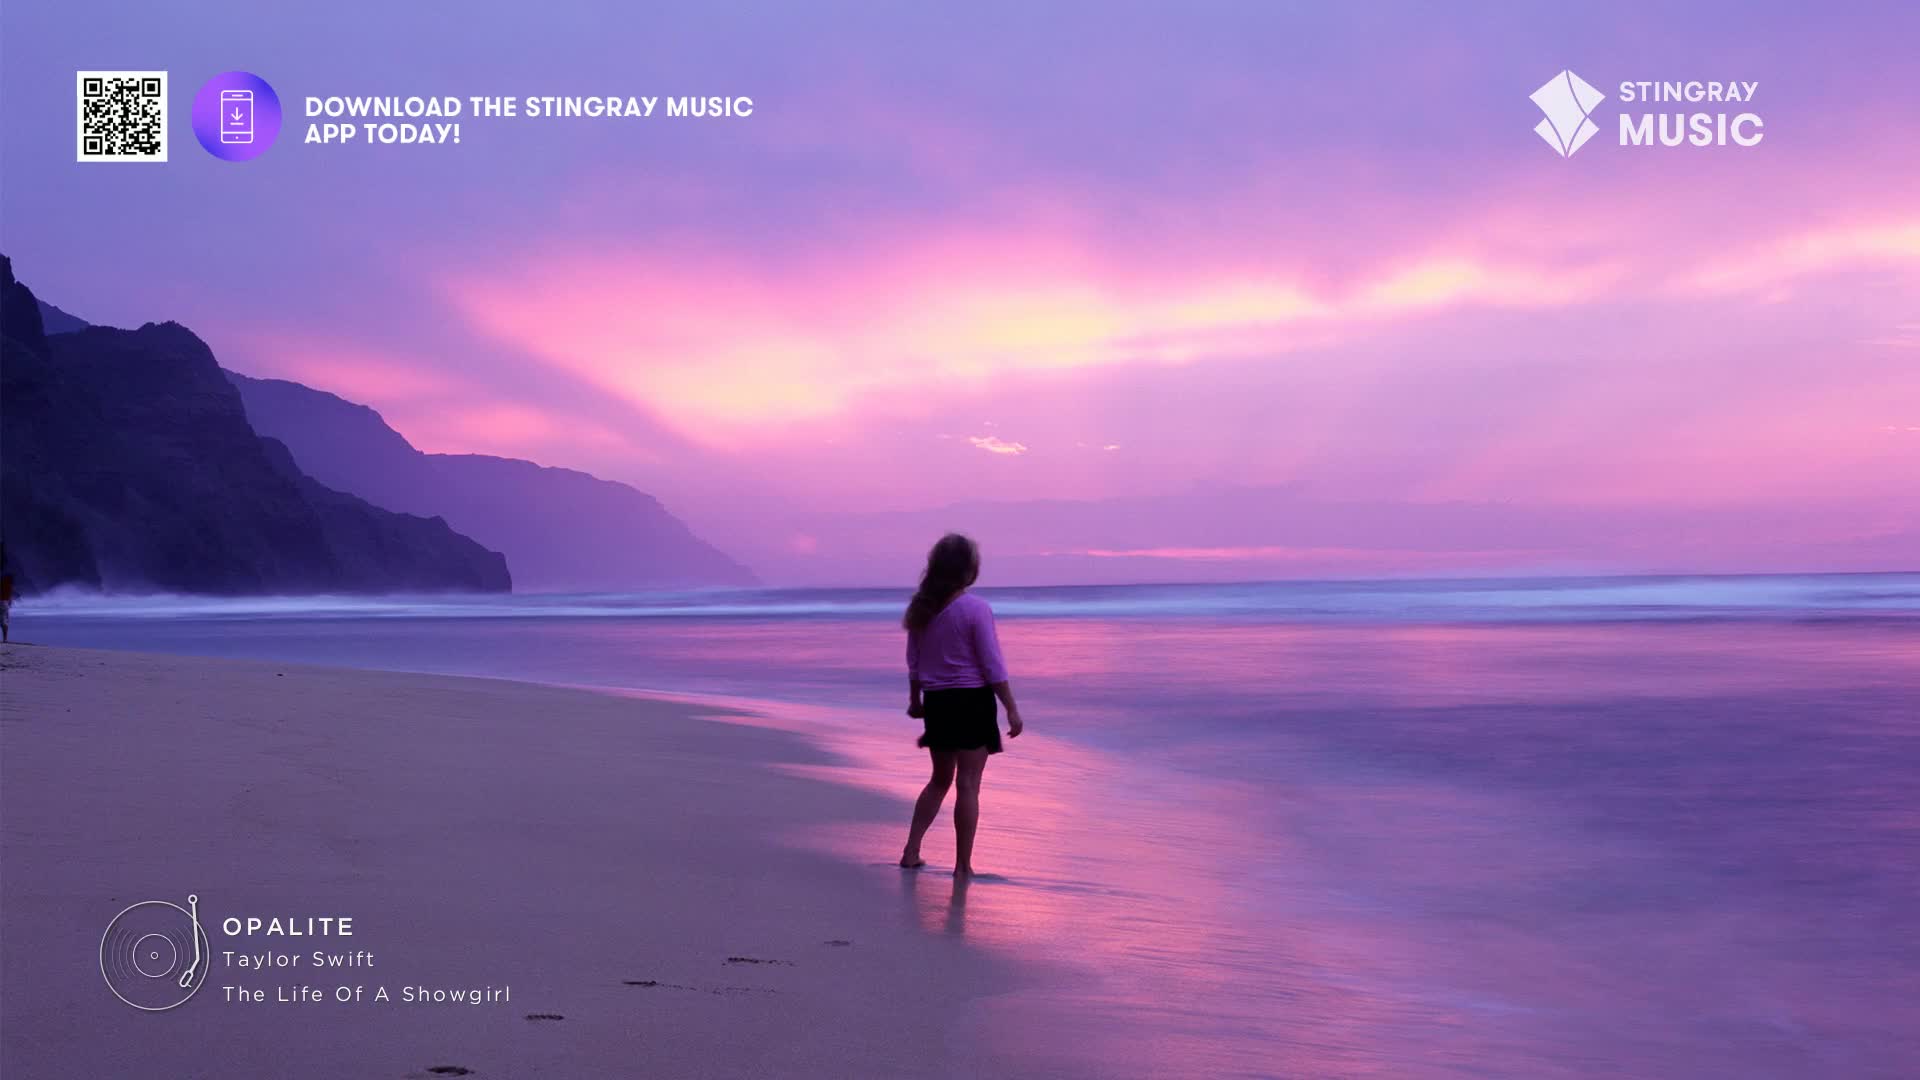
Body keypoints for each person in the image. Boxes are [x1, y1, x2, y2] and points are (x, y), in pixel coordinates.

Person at [899, 533, 1023, 875]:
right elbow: (992, 664)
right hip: (971, 701)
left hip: (938, 702)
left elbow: (914, 662)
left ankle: (911, 850)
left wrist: (915, 700)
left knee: (939, 780)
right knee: (968, 784)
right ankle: (962, 865)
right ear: (969, 570)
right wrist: (1011, 707)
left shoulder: (922, 609)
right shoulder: (975, 609)